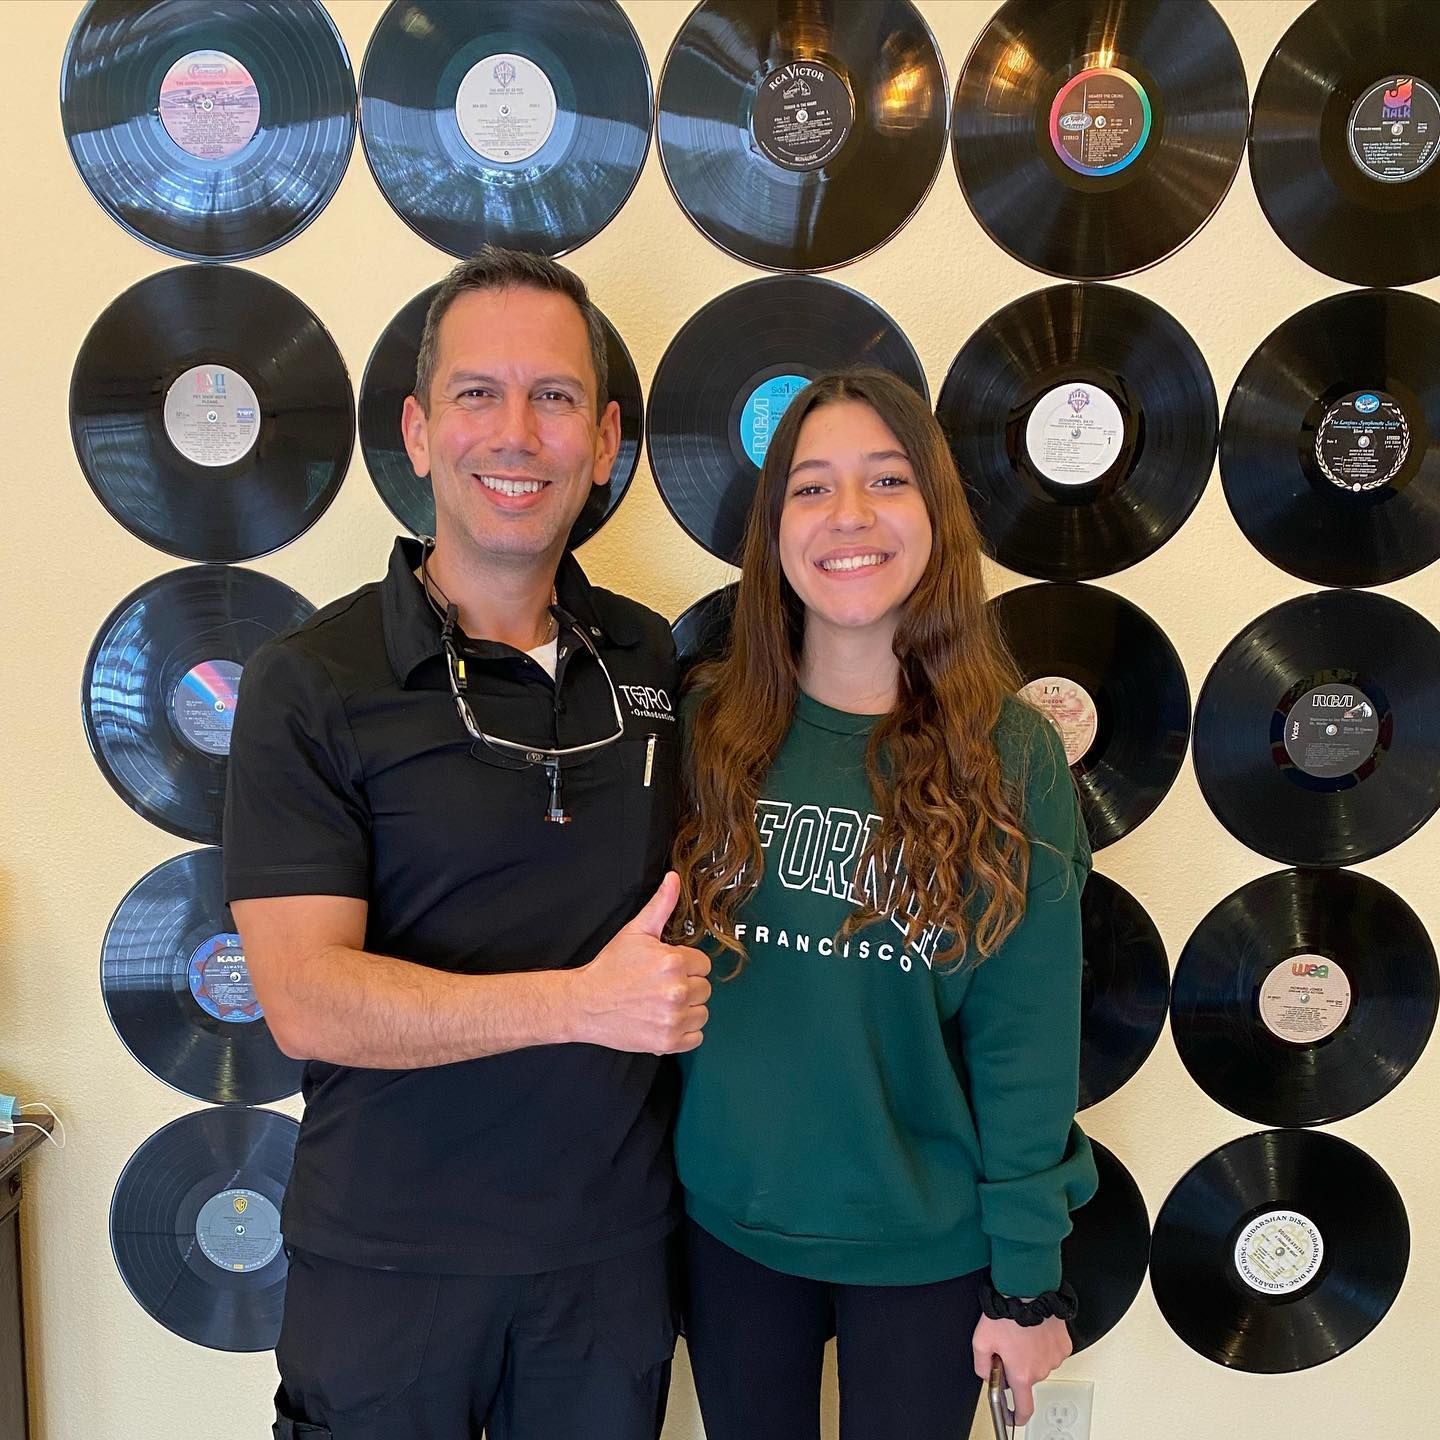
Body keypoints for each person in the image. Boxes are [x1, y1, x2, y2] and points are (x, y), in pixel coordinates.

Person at [223, 246, 711, 1440]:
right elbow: (306, 1002)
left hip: (606, 1271)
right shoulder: (312, 682)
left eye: (551, 399)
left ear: (601, 443)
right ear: (421, 431)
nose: (515, 433)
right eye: (476, 396)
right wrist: (579, 1004)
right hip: (387, 1269)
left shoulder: (652, 663)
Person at [669, 368, 1099, 1439]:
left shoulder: (1013, 754)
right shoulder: (704, 732)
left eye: (887, 480)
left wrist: (1028, 1283)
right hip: (730, 1231)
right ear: (773, 533)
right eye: (811, 488)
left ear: (937, 517)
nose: (849, 516)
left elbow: (1026, 1043)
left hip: (927, 1244)